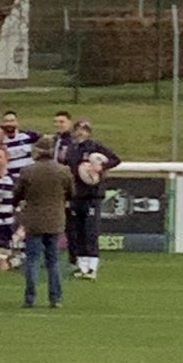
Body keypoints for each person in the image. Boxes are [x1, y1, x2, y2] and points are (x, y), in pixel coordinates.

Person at [14, 136, 75, 308]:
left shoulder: (28, 171)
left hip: (33, 221)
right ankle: (55, 298)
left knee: (32, 260)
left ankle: (30, 298)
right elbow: (71, 193)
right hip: (55, 220)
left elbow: (18, 194)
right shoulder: (63, 171)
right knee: (53, 261)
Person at [66, 119, 121, 280]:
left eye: (85, 129)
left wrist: (101, 167)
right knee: (77, 232)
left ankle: (92, 267)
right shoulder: (72, 149)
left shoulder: (95, 147)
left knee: (90, 231)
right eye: (79, 129)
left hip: (92, 196)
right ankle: (82, 267)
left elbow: (115, 160)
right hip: (76, 196)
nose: (81, 132)